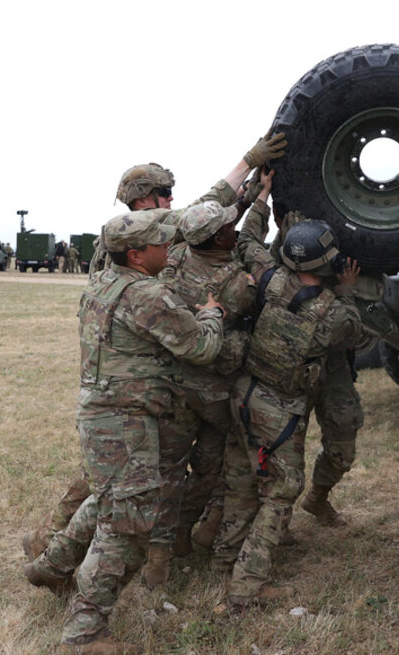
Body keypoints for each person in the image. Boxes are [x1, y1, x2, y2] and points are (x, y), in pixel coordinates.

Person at [22, 131, 287, 564]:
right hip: (130, 382)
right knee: (110, 479)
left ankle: (61, 543)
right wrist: (247, 164)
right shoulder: (135, 243)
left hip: (134, 377)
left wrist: (245, 192)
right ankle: (52, 546)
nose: (170, 200)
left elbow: (199, 216)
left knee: (113, 474)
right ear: (144, 198)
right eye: (164, 194)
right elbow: (194, 219)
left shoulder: (132, 238)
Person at [23, 210, 226, 655]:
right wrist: (211, 314)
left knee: (107, 501)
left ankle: (51, 567)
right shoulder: (148, 295)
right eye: (160, 243)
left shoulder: (102, 281)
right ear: (136, 255)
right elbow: (202, 347)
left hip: (102, 414)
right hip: (125, 422)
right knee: (129, 527)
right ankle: (85, 632)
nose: (168, 247)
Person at [211, 171, 363, 609]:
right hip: (279, 411)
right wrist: (348, 292)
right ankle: (246, 587)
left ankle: (223, 560)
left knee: (242, 480)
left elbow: (247, 242)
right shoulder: (335, 313)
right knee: (281, 490)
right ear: (330, 264)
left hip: (244, 394)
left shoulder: (269, 278)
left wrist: (260, 197)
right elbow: (354, 333)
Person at [139, 199, 256, 588]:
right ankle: (189, 527)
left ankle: (160, 555)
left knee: (169, 470)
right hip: (215, 393)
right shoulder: (237, 283)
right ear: (217, 238)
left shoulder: (174, 261)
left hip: (174, 386)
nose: (234, 229)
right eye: (228, 227)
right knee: (212, 465)